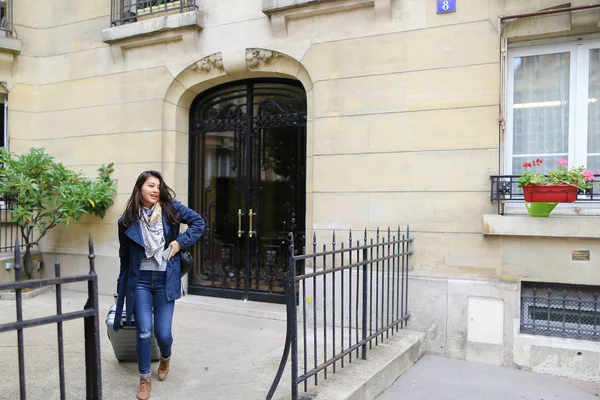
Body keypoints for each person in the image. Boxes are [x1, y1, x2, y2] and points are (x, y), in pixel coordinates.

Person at [113, 170, 205, 400]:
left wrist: (179, 242)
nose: (155, 190)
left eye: (158, 186)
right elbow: (124, 257)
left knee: (162, 333)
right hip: (141, 281)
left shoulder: (171, 208)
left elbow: (198, 222)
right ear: (139, 188)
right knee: (143, 333)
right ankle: (144, 379)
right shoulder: (126, 220)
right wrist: (121, 288)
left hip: (165, 279)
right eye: (150, 185)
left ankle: (165, 357)